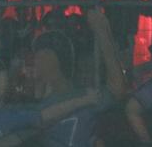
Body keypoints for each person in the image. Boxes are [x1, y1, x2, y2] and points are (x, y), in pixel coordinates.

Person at [0, 58, 101, 146]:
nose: (8, 80)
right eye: (3, 78)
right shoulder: (10, 115)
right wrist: (85, 100)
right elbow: (47, 115)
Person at [35, 9, 126, 147]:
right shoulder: (38, 103)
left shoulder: (83, 96)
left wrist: (102, 32)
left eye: (40, 58)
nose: (34, 65)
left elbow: (117, 89)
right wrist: (102, 31)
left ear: (55, 62)